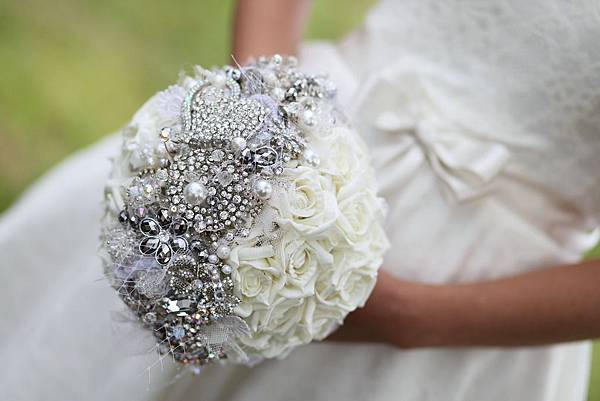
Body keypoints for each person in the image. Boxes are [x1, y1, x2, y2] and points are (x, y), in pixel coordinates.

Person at [1, 1, 599, 400]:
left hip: (469, 313)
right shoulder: (253, 139)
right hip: (262, 152)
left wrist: (410, 319)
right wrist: (254, 111)